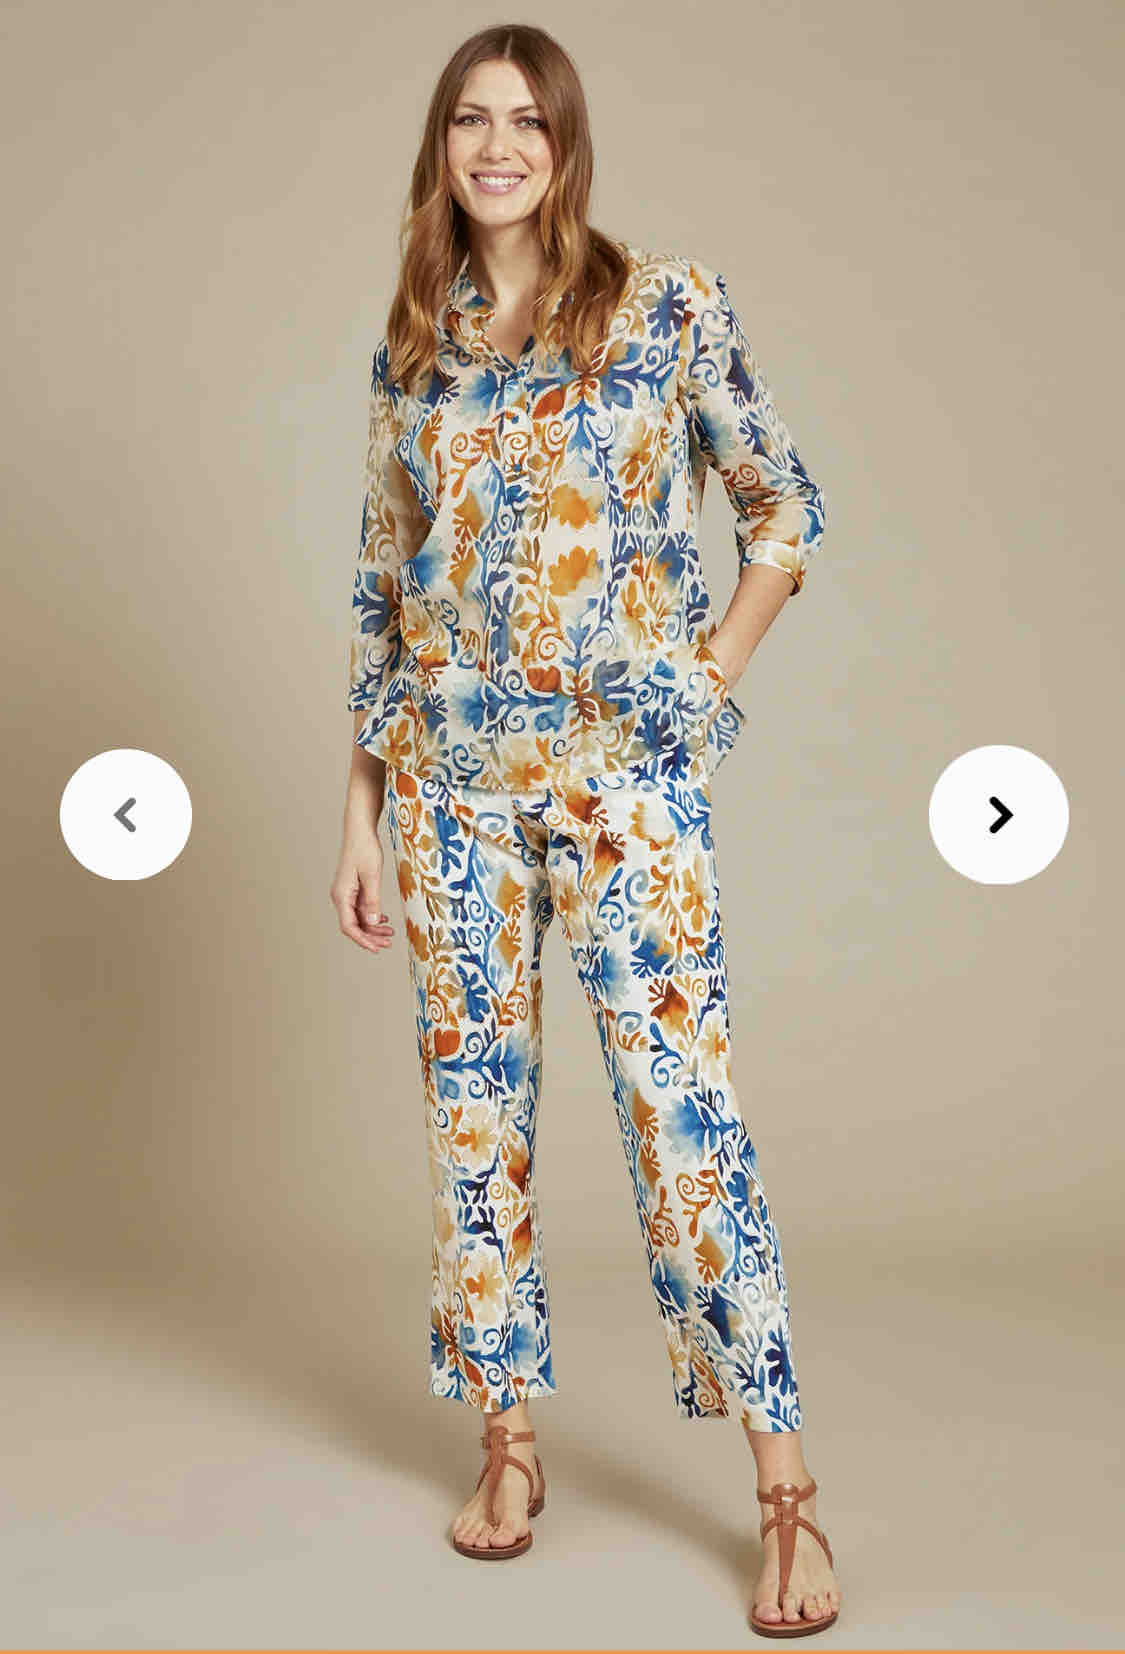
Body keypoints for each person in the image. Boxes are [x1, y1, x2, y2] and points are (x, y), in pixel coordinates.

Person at [330, 22, 841, 1637]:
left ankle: (784, 1492)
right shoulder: (413, 346)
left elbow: (783, 506)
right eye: (469, 120)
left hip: (625, 787)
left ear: (565, 144)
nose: (496, 146)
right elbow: (379, 594)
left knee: (684, 1124)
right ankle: (507, 1443)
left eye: (525, 120)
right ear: (441, 147)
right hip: (448, 792)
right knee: (471, 1126)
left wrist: (704, 675)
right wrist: (359, 814)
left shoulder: (663, 307)